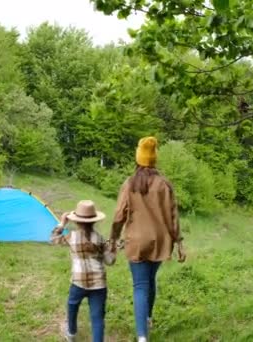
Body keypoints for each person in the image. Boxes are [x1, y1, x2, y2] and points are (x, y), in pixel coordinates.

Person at [110, 137, 186, 342]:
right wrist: (178, 241)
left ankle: (142, 336)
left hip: (137, 242)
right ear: (154, 160)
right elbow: (173, 216)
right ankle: (148, 318)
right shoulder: (165, 185)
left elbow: (118, 216)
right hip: (161, 242)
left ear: (138, 159)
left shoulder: (129, 183)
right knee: (150, 280)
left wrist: (112, 240)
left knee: (140, 286)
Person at [51, 200, 115, 342]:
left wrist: (62, 223)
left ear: (76, 221)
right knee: (97, 318)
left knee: (72, 305)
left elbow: (53, 239)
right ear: (94, 221)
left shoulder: (71, 237)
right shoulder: (100, 239)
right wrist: (113, 249)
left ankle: (71, 333)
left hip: (78, 282)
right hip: (99, 284)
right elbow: (110, 261)